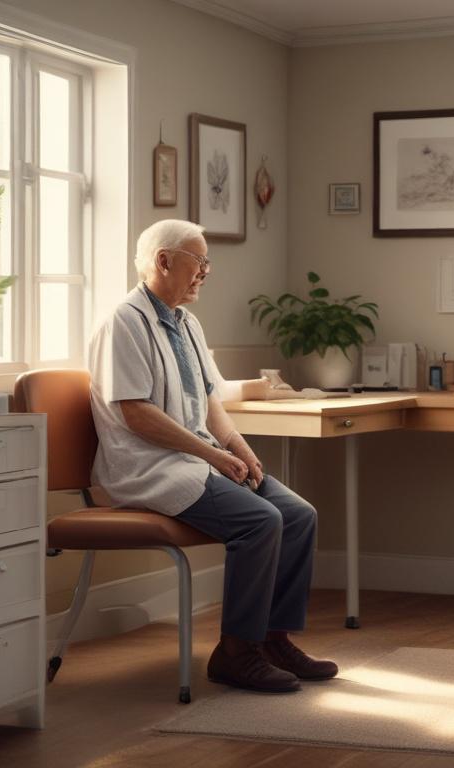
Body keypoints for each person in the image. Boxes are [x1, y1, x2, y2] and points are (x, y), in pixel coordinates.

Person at [89, 219, 337, 694]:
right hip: (147, 466)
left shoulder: (186, 323)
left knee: (298, 515)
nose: (206, 271)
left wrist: (240, 449)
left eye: (207, 262)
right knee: (260, 522)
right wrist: (213, 455)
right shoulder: (124, 321)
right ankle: (236, 653)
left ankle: (272, 639)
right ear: (164, 261)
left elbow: (209, 400)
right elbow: (136, 414)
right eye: (199, 261)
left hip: (195, 459)